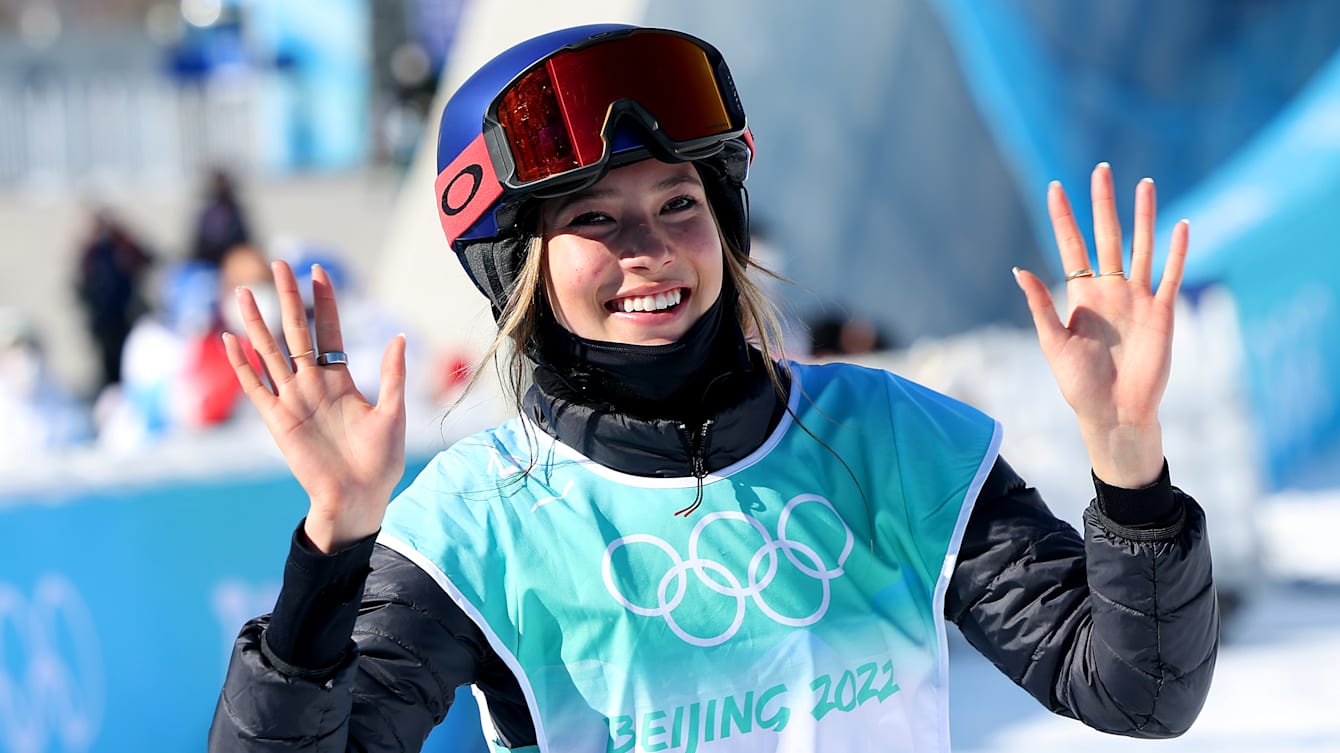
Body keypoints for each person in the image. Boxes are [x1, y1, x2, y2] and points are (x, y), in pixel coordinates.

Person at [209, 24, 1217, 753]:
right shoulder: (474, 528)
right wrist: (335, 544)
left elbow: (1136, 692)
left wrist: (1125, 461)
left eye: (679, 202)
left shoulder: (892, 440)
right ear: (516, 268)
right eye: (595, 220)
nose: (650, 250)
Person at [73, 207, 155, 390]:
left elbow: (148, 259)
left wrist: (126, 236)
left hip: (126, 317)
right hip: (103, 320)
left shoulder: (122, 247)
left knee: (129, 361)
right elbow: (82, 285)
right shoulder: (91, 253)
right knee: (107, 365)